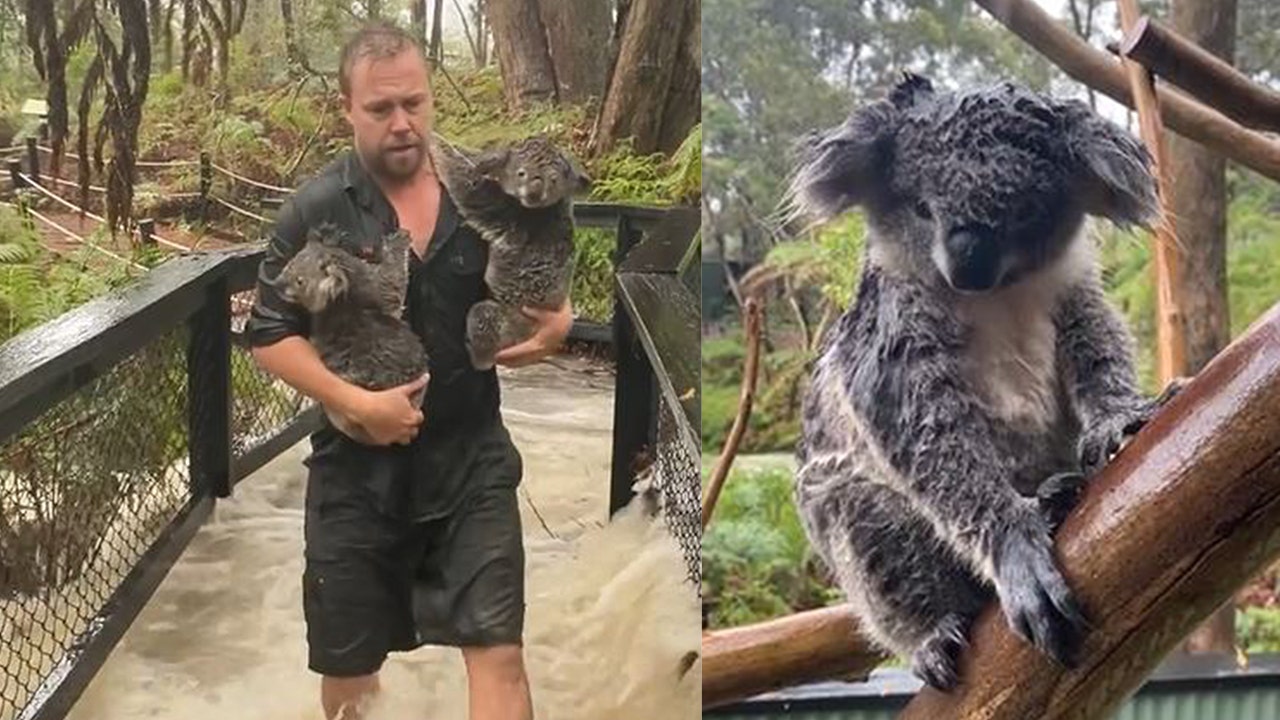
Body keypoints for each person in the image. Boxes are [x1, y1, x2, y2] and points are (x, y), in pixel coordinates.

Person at [246, 21, 572, 720]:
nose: (402, 124)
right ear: (347, 110)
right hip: (355, 471)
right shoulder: (317, 208)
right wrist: (350, 402)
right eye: (380, 109)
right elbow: (270, 334)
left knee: (501, 655)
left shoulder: (481, 189)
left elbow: (541, 268)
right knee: (350, 676)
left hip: (472, 458)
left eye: (414, 104)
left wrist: (558, 321)